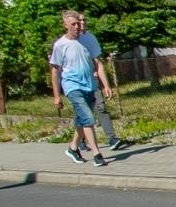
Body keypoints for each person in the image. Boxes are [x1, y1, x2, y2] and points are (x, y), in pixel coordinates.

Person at [49, 10, 109, 168]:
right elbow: (55, 71)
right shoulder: (60, 45)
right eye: (73, 24)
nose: (77, 27)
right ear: (65, 25)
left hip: (89, 84)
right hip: (72, 86)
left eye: (78, 24)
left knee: (82, 119)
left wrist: (105, 84)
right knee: (88, 118)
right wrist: (56, 96)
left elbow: (97, 62)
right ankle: (97, 154)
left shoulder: (86, 40)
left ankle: (73, 148)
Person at [77, 17, 131, 150]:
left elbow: (98, 61)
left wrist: (106, 85)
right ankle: (81, 140)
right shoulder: (70, 40)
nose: (82, 23)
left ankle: (112, 138)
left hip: (93, 80)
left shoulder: (90, 38)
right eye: (79, 21)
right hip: (78, 83)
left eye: (84, 20)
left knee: (101, 108)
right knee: (83, 112)